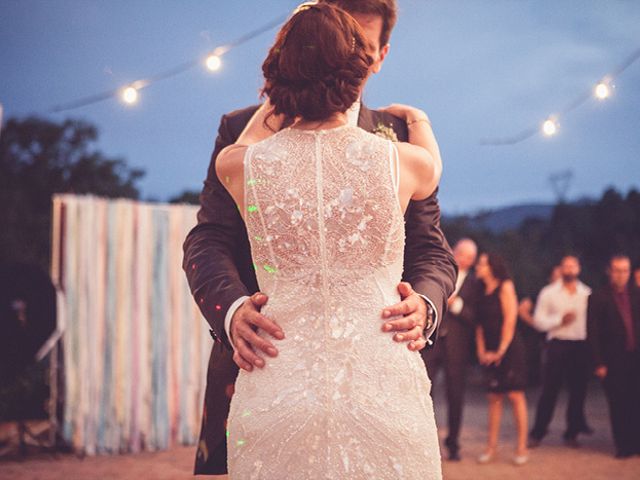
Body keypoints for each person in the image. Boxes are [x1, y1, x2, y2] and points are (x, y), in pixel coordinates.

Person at [182, 0, 457, 475]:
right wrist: (230, 312)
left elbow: (433, 248)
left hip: (306, 380)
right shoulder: (407, 154)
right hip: (259, 358)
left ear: (381, 54)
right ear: (356, 62)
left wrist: (426, 304)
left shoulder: (243, 153)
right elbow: (207, 240)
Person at [422, 238, 479, 461]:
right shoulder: (439, 273)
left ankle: (453, 444)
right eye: (459, 252)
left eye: (467, 255)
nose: (462, 257)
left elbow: (476, 318)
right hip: (431, 343)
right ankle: (425, 442)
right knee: (425, 391)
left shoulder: (475, 284)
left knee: (455, 395)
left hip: (457, 347)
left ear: (472, 261)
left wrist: (457, 305)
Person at [529, 255, 593, 448]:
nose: (569, 269)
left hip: (580, 346)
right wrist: (559, 320)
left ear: (579, 269)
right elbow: (538, 321)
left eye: (573, 266)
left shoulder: (587, 293)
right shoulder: (548, 293)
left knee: (578, 392)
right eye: (566, 266)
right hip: (557, 345)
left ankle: (571, 434)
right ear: (561, 269)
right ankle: (538, 433)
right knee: (549, 391)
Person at [474, 253, 529, 465]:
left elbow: (510, 320)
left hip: (510, 349)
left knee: (515, 396)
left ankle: (522, 448)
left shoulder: (505, 286)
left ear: (492, 267)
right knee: (494, 398)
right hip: (488, 349)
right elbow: (479, 325)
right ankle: (491, 447)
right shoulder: (480, 290)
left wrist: (501, 350)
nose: (478, 267)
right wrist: (481, 351)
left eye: (481, 264)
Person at [587, 254, 640, 458]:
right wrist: (598, 362)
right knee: (618, 403)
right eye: (617, 270)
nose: (621, 275)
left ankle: (636, 442)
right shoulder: (598, 297)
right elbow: (592, 333)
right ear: (609, 271)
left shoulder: (636, 295)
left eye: (625, 270)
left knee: (636, 400)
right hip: (612, 359)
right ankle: (624, 445)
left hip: (635, 357)